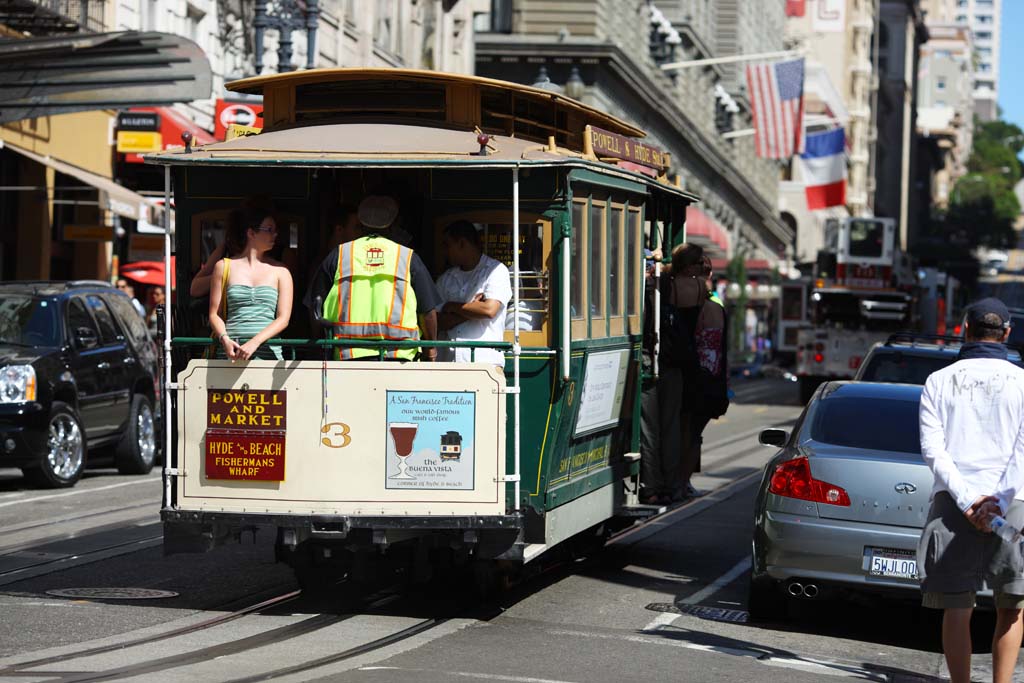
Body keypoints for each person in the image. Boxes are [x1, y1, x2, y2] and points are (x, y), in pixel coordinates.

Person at [918, 297, 1024, 683]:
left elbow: (934, 450)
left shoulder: (938, 381)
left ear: (964, 329)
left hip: (953, 502)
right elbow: (1023, 450)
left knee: (957, 607)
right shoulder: (1023, 382)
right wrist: (998, 502)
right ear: (1007, 334)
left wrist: (968, 501)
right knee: (1011, 605)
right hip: (1014, 503)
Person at [305, 195, 441, 361]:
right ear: (393, 225)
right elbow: (428, 313)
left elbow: (315, 306)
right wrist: (431, 350)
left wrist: (319, 346)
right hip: (399, 358)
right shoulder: (407, 257)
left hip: (348, 356)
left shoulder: (339, 255)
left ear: (361, 224)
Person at [208, 207, 294, 361]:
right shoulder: (223, 267)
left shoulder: (281, 271)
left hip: (268, 355)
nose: (275, 234)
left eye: (275, 230)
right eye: (269, 229)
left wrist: (255, 342)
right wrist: (225, 339)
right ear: (251, 233)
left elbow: (283, 319)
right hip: (231, 353)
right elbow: (214, 314)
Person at [435, 220, 512, 365]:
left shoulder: (495, 271)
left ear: (462, 243)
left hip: (483, 364)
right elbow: (437, 321)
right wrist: (473, 308)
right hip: (448, 362)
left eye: (447, 245)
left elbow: (489, 310)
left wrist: (452, 307)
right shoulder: (446, 278)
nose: (444, 251)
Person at [639, 247, 665, 505]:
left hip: (643, 359)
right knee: (649, 427)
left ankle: (651, 483)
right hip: (644, 361)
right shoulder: (649, 291)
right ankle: (652, 485)